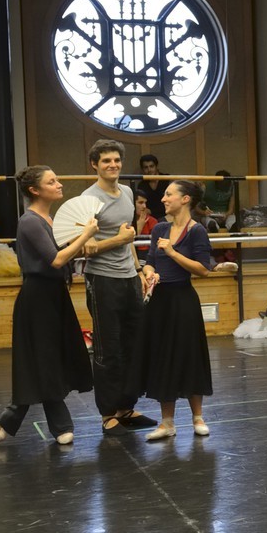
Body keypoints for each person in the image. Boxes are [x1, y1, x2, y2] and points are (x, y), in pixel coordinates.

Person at [0, 166, 98, 446]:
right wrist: (85, 235)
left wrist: (82, 240)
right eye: (52, 181)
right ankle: (59, 425)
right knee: (45, 359)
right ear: (35, 190)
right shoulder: (30, 221)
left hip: (54, 295)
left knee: (51, 359)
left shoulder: (48, 218)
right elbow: (56, 260)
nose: (59, 184)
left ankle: (11, 419)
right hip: (38, 297)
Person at [81, 140, 153, 434]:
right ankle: (107, 412)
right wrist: (118, 242)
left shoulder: (126, 192)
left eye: (116, 160)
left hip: (127, 277)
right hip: (102, 279)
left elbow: (130, 237)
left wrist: (137, 270)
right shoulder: (88, 199)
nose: (113, 165)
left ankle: (126, 406)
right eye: (106, 161)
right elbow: (85, 247)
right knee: (108, 348)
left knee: (133, 344)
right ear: (94, 165)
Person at [137, 180, 217, 442]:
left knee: (190, 355)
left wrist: (171, 252)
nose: (163, 199)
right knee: (163, 358)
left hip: (183, 300)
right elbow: (149, 261)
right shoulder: (159, 228)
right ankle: (167, 422)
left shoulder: (196, 232)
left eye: (169, 194)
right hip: (160, 301)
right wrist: (149, 274)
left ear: (185, 199)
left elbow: (203, 269)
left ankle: (197, 417)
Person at [135, 153, 166, 219]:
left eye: (151, 166)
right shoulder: (142, 185)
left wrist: (151, 211)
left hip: (168, 215)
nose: (149, 170)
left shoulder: (166, 179)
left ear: (156, 167)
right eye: (146, 167)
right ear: (142, 170)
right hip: (149, 218)